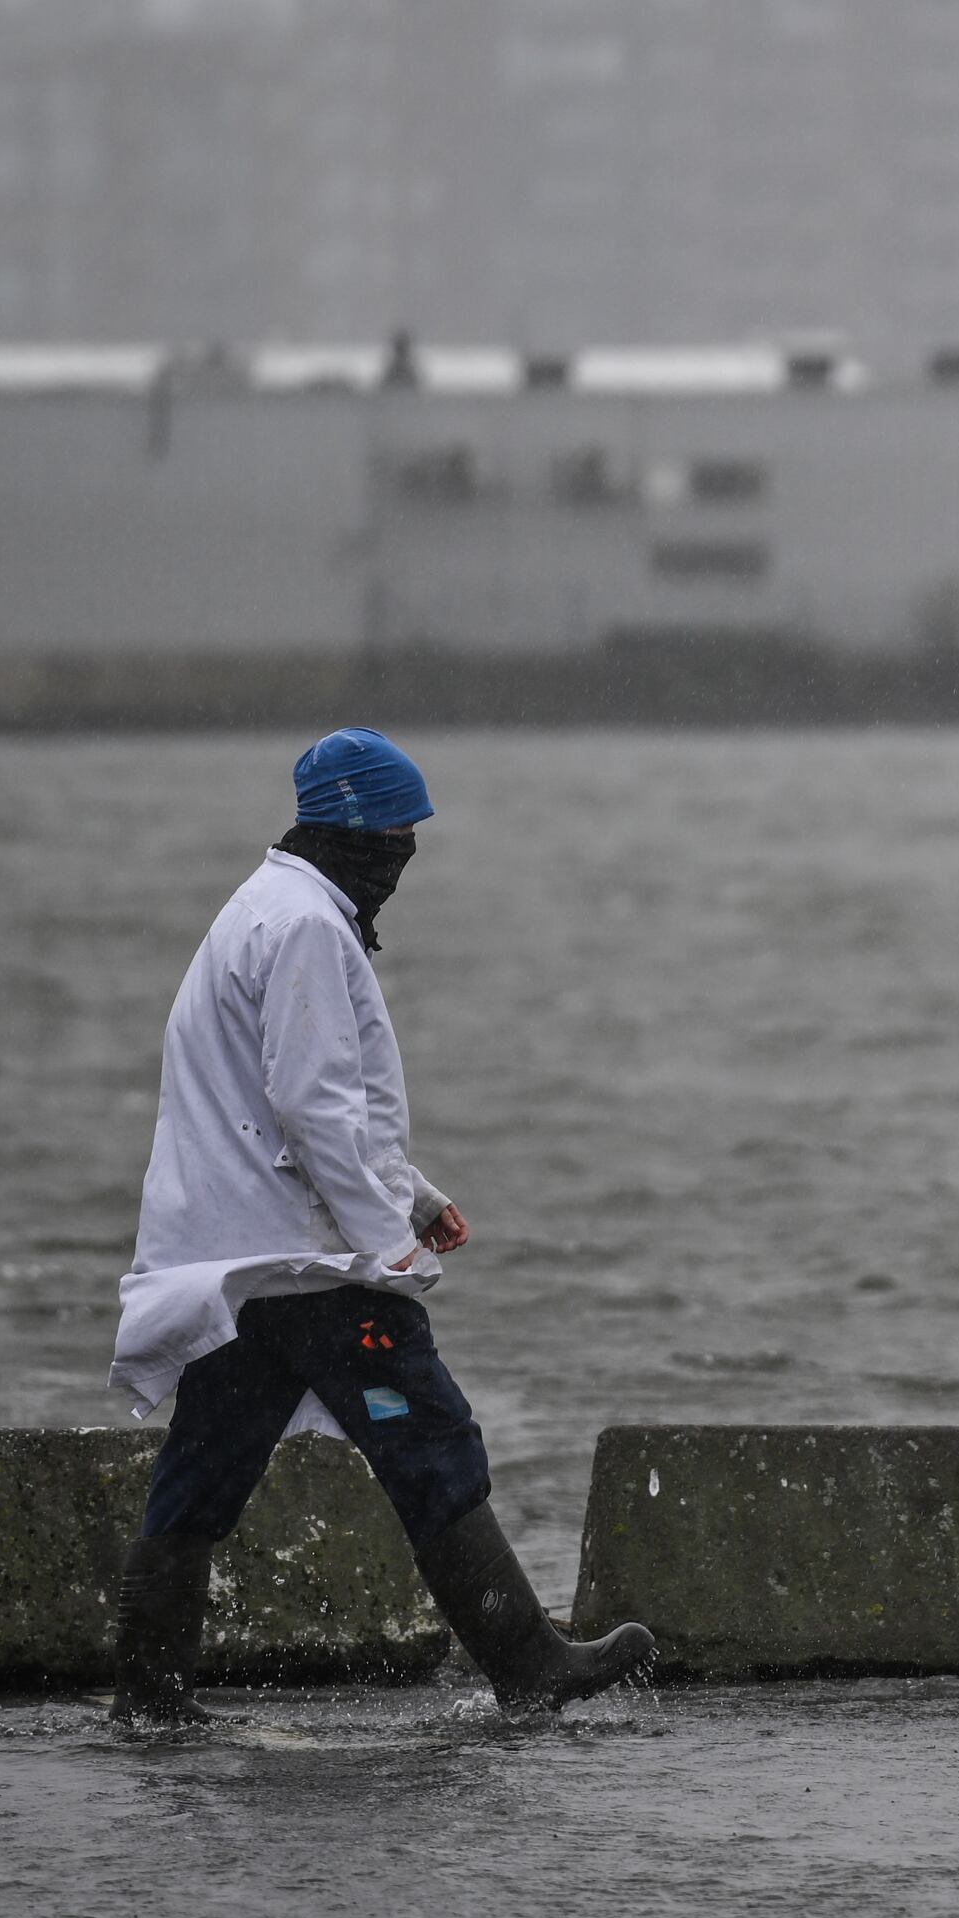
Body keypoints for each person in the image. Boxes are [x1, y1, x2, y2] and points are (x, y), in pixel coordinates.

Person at [104, 726, 650, 1724]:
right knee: (429, 1440)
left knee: (199, 1476)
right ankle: (528, 1667)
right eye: (398, 836)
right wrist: (383, 1247)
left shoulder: (262, 908)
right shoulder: (310, 928)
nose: (404, 857)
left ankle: (147, 1698)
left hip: (240, 1265)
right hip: (313, 1265)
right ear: (357, 828)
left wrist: (412, 1192)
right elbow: (313, 1105)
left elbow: (303, 1104)